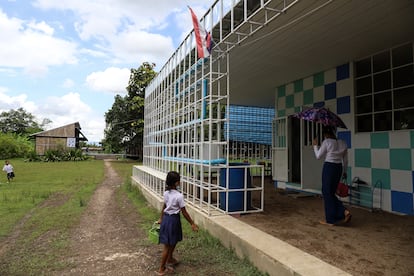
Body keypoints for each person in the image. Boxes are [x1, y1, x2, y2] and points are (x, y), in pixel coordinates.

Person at [156, 171, 198, 275]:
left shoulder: (166, 193)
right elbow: (184, 212)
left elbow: (164, 207)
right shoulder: (179, 196)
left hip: (166, 219)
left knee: (173, 241)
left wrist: (161, 218)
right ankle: (161, 269)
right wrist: (192, 223)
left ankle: (170, 259)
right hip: (173, 220)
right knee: (167, 245)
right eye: (179, 180)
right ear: (176, 183)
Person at [313, 126, 351, 226]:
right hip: (338, 168)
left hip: (329, 167)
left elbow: (318, 156)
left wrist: (315, 146)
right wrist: (345, 171)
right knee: (331, 192)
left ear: (325, 134)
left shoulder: (327, 142)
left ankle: (335, 217)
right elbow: (345, 160)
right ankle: (339, 213)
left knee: (326, 192)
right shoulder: (343, 142)